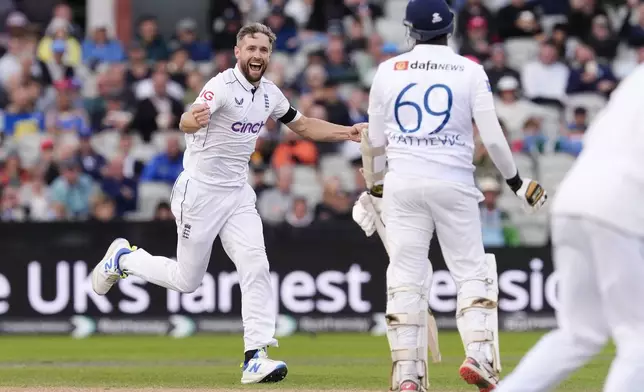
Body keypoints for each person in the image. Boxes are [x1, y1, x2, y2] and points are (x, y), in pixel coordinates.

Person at [91, 22, 363, 385]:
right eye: (251, 48)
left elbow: (304, 125)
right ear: (238, 52)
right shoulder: (219, 86)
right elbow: (188, 118)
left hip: (237, 193)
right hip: (199, 193)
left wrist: (347, 132)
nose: (257, 55)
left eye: (263, 50)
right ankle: (123, 259)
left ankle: (256, 355)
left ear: (269, 55)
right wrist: (191, 120)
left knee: (256, 264)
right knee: (187, 281)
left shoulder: (270, 94)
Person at [350, 1, 547, 391]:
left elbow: (373, 142)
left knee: (405, 277)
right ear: (451, 28)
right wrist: (515, 182)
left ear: (409, 30)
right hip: (454, 182)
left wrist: (374, 188)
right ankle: (480, 356)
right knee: (472, 272)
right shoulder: (470, 70)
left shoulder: (387, 70)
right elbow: (491, 135)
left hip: (402, 185)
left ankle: (408, 375)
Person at [495, 65, 644, 392]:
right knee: (638, 339)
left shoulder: (635, 79)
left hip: (573, 197)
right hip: (617, 204)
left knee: (579, 334)